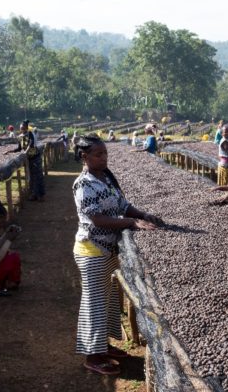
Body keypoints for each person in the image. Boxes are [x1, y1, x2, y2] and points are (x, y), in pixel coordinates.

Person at [72, 134, 163, 375]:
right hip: (92, 249)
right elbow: (96, 218)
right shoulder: (83, 184)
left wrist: (143, 215)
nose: (104, 158)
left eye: (105, 154)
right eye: (98, 155)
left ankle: (102, 346)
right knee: (94, 303)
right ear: (84, 157)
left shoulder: (106, 178)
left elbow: (123, 205)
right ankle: (92, 356)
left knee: (107, 300)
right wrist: (131, 223)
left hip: (107, 249)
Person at [7, 120, 45, 201]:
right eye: (21, 127)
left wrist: (26, 152)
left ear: (26, 127)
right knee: (31, 177)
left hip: (35, 158)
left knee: (37, 176)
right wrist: (10, 151)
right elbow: (19, 148)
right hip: (29, 159)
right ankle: (34, 194)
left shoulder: (30, 133)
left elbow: (30, 144)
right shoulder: (20, 136)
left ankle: (39, 195)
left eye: (23, 127)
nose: (22, 129)